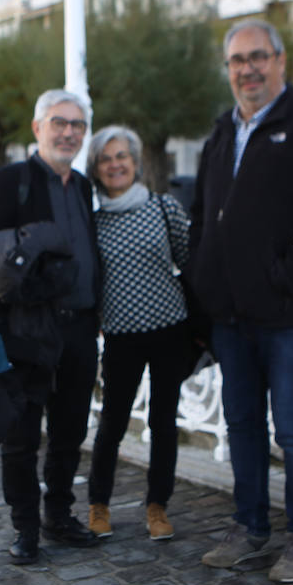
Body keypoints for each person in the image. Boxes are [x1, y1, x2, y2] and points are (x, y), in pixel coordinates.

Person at [188, 17, 293, 583]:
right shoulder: (220, 133)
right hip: (228, 317)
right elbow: (204, 220)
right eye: (238, 60)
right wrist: (203, 288)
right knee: (243, 426)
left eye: (259, 57)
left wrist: (284, 276)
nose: (248, 69)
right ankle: (250, 526)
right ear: (228, 69)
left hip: (285, 317)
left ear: (281, 62)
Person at [0, 89, 101, 564]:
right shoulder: (10, 182)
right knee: (21, 436)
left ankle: (58, 516)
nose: (69, 132)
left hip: (80, 329)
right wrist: (30, 278)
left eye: (77, 125)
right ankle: (25, 528)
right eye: (59, 123)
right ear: (37, 128)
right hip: (24, 331)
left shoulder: (82, 186)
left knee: (69, 430)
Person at [85, 125, 189, 541]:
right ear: (97, 169)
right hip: (120, 336)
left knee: (164, 423)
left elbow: (189, 259)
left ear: (135, 162)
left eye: (121, 156)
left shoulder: (164, 208)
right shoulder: (92, 223)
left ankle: (157, 507)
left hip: (170, 331)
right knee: (112, 423)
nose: (115, 165)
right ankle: (98, 504)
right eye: (106, 159)